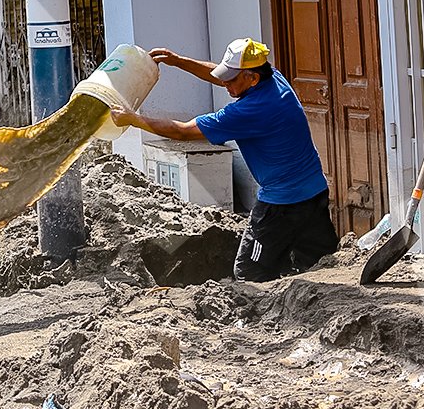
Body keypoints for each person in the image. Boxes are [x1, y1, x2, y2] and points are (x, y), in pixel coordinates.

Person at [110, 37, 339, 282]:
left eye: (231, 80)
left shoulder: (247, 112)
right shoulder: (273, 78)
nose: (226, 84)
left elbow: (183, 131)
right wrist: (178, 62)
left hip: (281, 206)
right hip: (315, 192)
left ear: (252, 78)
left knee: (250, 272)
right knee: (320, 262)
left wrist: (133, 119)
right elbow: (220, 76)